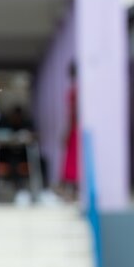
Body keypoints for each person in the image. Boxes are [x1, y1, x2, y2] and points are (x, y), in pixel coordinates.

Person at [59, 61, 79, 201]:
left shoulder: (76, 91)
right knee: (72, 160)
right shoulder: (77, 89)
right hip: (74, 127)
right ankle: (72, 190)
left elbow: (74, 113)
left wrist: (68, 130)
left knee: (73, 160)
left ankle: (73, 190)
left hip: (75, 128)